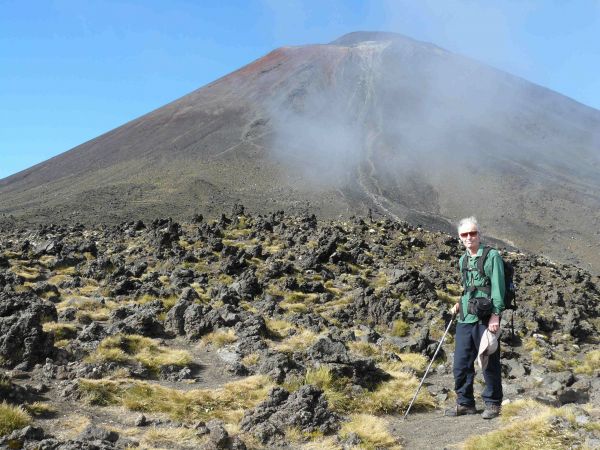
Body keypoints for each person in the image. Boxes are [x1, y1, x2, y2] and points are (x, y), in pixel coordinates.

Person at [446, 216, 505, 419]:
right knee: (461, 363)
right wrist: (459, 303)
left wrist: (495, 315)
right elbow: (467, 288)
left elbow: (498, 287)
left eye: (473, 233)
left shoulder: (492, 256)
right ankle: (465, 403)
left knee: (488, 360)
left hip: (486, 317)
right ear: (460, 238)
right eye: (465, 234)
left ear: (479, 235)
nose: (469, 237)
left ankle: (493, 403)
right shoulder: (463, 259)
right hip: (465, 317)